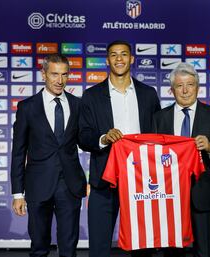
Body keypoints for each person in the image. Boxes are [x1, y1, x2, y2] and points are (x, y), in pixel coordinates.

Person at [78, 40, 161, 257]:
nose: (119, 59)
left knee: (143, 246)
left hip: (142, 181)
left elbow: (159, 133)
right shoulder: (91, 96)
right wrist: (104, 138)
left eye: (124, 54)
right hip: (104, 179)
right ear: (107, 60)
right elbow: (83, 136)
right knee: (99, 246)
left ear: (132, 59)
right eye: (114, 55)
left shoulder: (148, 94)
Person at [11, 53, 87, 257]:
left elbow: (83, 139)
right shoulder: (27, 107)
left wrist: (102, 139)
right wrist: (18, 194)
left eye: (64, 75)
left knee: (69, 249)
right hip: (37, 185)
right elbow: (18, 152)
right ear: (43, 74)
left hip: (69, 185)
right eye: (54, 74)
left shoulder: (77, 104)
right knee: (38, 247)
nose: (60, 80)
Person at [153, 62, 210, 257]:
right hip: (169, 196)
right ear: (172, 90)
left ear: (198, 87)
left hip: (203, 193)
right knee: (172, 252)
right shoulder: (159, 118)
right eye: (179, 86)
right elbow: (151, 156)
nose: (185, 90)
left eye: (190, 84)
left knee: (204, 252)